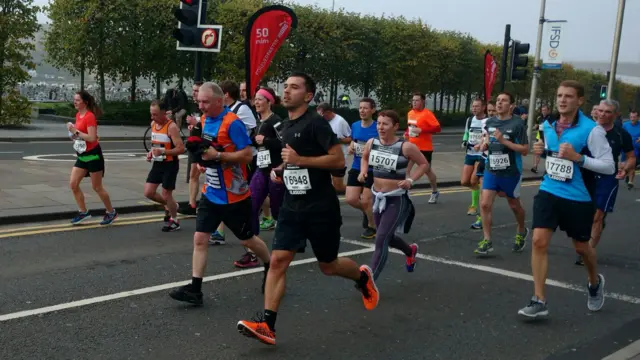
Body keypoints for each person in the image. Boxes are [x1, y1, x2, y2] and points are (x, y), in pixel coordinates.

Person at [236, 72, 379, 346]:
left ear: (309, 95)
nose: (286, 91)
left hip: (320, 207)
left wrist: (300, 159)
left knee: (329, 265)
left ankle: (361, 276)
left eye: (294, 87)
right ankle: (268, 325)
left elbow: (338, 160)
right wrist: (283, 169)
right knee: (278, 261)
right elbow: (293, 161)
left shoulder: (316, 123)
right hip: (292, 205)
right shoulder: (285, 127)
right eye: (285, 86)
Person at [518, 80, 615, 318]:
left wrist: (579, 158)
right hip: (549, 191)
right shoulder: (548, 124)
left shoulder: (593, 130)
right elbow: (553, 154)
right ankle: (539, 300)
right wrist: (541, 150)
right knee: (539, 241)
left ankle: (594, 283)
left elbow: (609, 166)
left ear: (580, 100)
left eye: (569, 96)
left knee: (582, 248)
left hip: (578, 198)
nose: (562, 100)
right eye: (560, 95)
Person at [168, 82, 271, 305]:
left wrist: (218, 157)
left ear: (219, 101)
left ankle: (270, 265)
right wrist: (206, 162)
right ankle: (195, 290)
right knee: (200, 238)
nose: (201, 106)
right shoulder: (205, 121)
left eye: (205, 102)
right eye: (199, 102)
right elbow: (209, 151)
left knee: (248, 240)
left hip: (235, 197)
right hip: (211, 193)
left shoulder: (232, 123)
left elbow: (246, 155)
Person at [359, 110, 426, 280]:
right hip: (377, 197)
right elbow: (365, 157)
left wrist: (410, 180)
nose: (381, 127)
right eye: (379, 123)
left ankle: (370, 279)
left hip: (396, 198)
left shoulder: (406, 147)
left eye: (385, 124)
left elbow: (424, 164)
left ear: (395, 126)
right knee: (386, 235)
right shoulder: (372, 142)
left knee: (381, 238)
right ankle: (410, 251)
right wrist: (364, 171)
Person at [575, 99, 636, 265]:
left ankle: (587, 252)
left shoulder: (621, 134)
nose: (602, 114)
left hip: (607, 178)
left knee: (597, 216)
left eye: (607, 112)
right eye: (600, 110)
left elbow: (631, 157)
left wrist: (626, 168)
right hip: (584, 175)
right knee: (582, 215)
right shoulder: (586, 130)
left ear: (615, 114)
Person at [234, 87, 286, 269]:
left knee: (278, 211)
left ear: (269, 102)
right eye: (255, 99)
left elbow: (285, 144)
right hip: (260, 170)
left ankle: (285, 247)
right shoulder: (258, 122)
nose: (256, 102)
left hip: (276, 171)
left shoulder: (276, 121)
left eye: (260, 99)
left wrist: (267, 141)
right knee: (251, 206)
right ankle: (252, 252)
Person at [474, 92, 529, 255]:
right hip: (492, 169)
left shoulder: (518, 124)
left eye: (504, 101)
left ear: (511, 106)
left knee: (514, 205)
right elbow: (488, 139)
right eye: (498, 100)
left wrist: (504, 141)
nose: (499, 103)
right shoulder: (490, 122)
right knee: (484, 204)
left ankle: (521, 230)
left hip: (511, 171)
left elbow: (525, 150)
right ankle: (487, 240)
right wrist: (483, 145)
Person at [209, 81, 259, 244]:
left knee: (244, 195)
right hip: (226, 159)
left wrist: (233, 131)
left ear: (225, 95)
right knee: (225, 192)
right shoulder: (221, 112)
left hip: (244, 159)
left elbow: (251, 128)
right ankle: (220, 231)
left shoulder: (241, 109)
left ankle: (251, 236)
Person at [67, 90, 117, 225]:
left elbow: (91, 137)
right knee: (73, 184)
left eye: (77, 100)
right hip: (82, 155)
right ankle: (83, 212)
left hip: (93, 155)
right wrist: (73, 135)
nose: (75, 102)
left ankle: (111, 212)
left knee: (97, 187)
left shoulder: (90, 117)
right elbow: (81, 136)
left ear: (85, 102)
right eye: (74, 100)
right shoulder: (78, 115)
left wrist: (75, 131)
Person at [144, 100, 184, 232]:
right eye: (151, 114)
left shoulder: (171, 127)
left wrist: (163, 152)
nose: (152, 117)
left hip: (170, 164)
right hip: (158, 164)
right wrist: (151, 153)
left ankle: (174, 220)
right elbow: (156, 145)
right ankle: (172, 205)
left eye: (155, 114)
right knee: (148, 192)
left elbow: (180, 148)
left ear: (163, 113)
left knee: (166, 194)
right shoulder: (153, 124)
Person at [345, 98, 379, 239]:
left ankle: (372, 226)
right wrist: (351, 146)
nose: (362, 111)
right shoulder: (355, 125)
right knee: (351, 199)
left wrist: (371, 150)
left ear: (372, 110)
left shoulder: (378, 127)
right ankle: (368, 212)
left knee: (366, 200)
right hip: (356, 166)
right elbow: (354, 140)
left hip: (372, 169)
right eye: (360, 108)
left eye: (365, 108)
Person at [404, 92, 441, 203]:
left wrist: (422, 130)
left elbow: (437, 128)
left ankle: (434, 191)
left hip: (424, 148)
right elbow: (410, 127)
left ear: (423, 101)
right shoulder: (410, 113)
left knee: (427, 172)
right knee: (406, 169)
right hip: (411, 146)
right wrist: (406, 133)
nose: (414, 102)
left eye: (417, 100)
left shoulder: (427, 114)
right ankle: (406, 192)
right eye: (413, 100)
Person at [460, 99, 488, 216]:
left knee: (473, 180)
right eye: (473, 106)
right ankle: (482, 191)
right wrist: (464, 141)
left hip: (480, 154)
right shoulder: (470, 119)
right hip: (470, 153)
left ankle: (474, 205)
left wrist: (481, 145)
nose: (474, 108)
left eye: (477, 106)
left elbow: (488, 136)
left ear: (483, 107)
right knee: (464, 181)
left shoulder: (487, 121)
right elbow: (467, 132)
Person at [179, 81, 203, 216]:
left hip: (205, 145)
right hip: (195, 144)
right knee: (193, 174)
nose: (194, 93)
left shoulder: (207, 107)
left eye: (197, 90)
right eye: (193, 90)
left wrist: (197, 123)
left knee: (212, 176)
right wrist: (193, 127)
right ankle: (192, 204)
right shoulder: (194, 107)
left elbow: (212, 124)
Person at [316, 102, 352, 193]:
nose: (320, 118)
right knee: (322, 184)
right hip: (325, 158)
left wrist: (337, 140)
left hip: (339, 157)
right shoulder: (321, 122)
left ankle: (357, 191)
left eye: (321, 115)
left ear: (328, 112)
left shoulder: (340, 121)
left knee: (338, 187)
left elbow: (350, 139)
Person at [622, 109, 640, 189]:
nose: (632, 119)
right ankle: (627, 174)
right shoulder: (625, 125)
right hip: (625, 148)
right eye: (631, 117)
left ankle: (630, 181)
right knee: (624, 165)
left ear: (638, 117)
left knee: (632, 165)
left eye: (634, 117)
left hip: (636, 148)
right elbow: (621, 134)